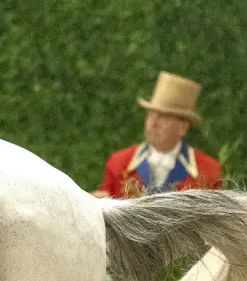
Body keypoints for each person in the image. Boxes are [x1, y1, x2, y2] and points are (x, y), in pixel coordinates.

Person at [93, 71, 223, 199]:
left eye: (163, 117)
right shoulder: (119, 163)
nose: (153, 123)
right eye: (150, 114)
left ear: (183, 127)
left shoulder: (208, 171)